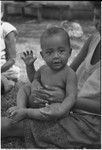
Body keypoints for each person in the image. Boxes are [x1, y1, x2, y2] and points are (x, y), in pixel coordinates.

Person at [1, 1, 101, 149]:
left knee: (12, 124)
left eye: (61, 51)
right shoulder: (94, 39)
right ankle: (21, 108)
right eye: (97, 17)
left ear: (69, 51)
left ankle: (23, 113)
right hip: (64, 103)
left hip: (89, 120)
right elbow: (66, 71)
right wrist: (36, 78)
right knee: (28, 88)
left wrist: (65, 99)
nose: (99, 24)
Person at [1, 2, 20, 94]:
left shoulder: (6, 29)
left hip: (4, 69)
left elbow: (12, 60)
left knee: (12, 73)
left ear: (1, 13)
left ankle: (6, 82)